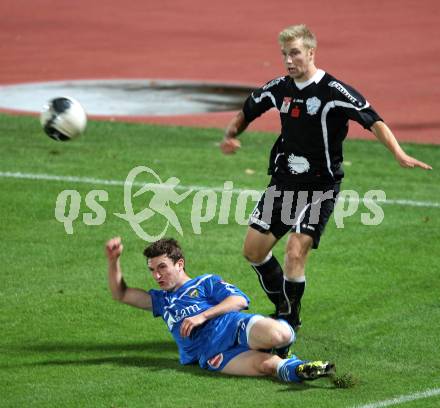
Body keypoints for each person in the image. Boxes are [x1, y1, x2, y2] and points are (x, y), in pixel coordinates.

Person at [220, 24, 432, 330]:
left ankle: (289, 320)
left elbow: (372, 120)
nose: (289, 60)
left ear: (310, 52)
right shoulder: (279, 87)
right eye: (284, 55)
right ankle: (283, 303)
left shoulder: (333, 91)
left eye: (294, 53)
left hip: (320, 186)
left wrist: (398, 153)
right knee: (253, 250)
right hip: (282, 183)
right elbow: (248, 110)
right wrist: (230, 134)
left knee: (295, 250)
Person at [105, 236, 335, 383]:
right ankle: (302, 369)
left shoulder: (204, 283)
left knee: (281, 334)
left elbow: (239, 301)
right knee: (266, 366)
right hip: (213, 355)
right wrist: (113, 261)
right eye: (152, 270)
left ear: (180, 264)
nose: (157, 276)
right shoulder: (161, 300)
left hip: (234, 327)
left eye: (162, 267)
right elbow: (121, 294)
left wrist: (202, 316)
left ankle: (284, 350)